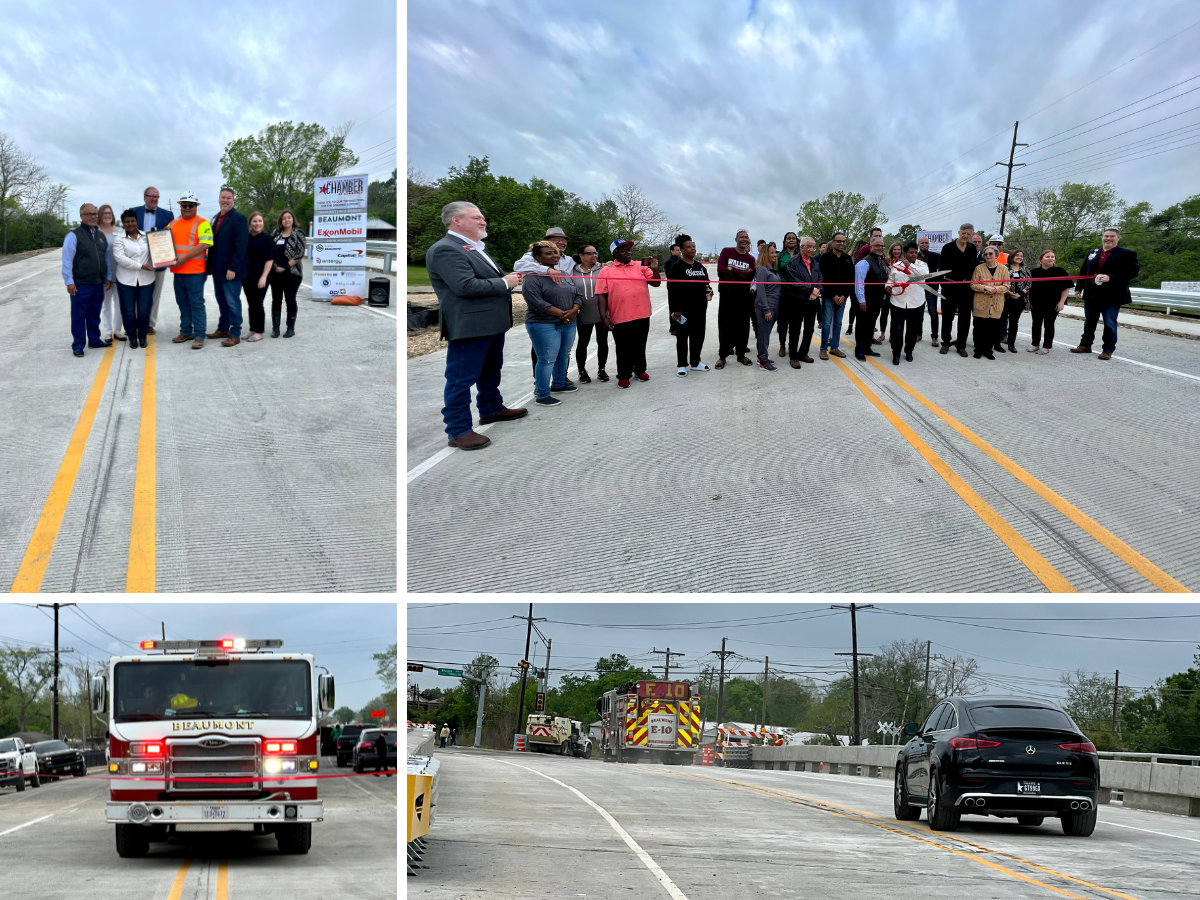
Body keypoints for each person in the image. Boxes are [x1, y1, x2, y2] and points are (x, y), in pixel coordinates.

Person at [426, 201, 527, 451]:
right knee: (461, 378)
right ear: (456, 220)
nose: (483, 222)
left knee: (491, 369)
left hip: (490, 323)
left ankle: (491, 407)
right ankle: (458, 430)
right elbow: (465, 286)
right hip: (470, 325)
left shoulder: (472, 247)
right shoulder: (445, 249)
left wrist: (505, 282)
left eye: (482, 218)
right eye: (476, 218)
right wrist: (505, 282)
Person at [523, 240, 581, 407]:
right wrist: (562, 313)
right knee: (547, 358)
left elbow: (577, 294)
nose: (555, 256)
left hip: (568, 321)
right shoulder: (532, 277)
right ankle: (542, 393)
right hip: (543, 323)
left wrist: (574, 309)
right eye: (548, 253)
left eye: (555, 252)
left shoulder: (562, 273)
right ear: (537, 257)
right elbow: (536, 302)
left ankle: (559, 383)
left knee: (563, 354)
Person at [596, 238, 660, 388]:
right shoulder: (606, 270)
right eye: (623, 249)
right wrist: (603, 317)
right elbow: (601, 295)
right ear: (615, 253)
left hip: (642, 313)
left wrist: (655, 268)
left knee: (640, 344)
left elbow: (656, 283)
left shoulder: (639, 266)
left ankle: (640, 370)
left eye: (628, 249)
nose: (628, 251)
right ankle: (624, 375)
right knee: (623, 347)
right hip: (620, 315)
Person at [1070, 228, 1141, 360]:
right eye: (1106, 236)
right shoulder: (1093, 253)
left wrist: (1111, 278)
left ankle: (1107, 350)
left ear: (1118, 238)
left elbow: (1133, 272)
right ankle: (1085, 345)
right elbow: (1084, 271)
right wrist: (1078, 288)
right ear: (1102, 237)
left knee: (1109, 323)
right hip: (1091, 294)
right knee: (1089, 322)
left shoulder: (1127, 254)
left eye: (1112, 236)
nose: (1108, 238)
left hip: (1112, 296)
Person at [514, 227, 575, 373]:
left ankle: (561, 378)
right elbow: (519, 266)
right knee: (543, 352)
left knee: (563, 351)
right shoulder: (533, 255)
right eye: (556, 240)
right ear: (545, 241)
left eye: (563, 240)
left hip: (566, 310)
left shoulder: (569, 260)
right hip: (544, 313)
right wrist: (547, 270)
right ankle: (540, 382)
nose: (561, 242)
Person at [62, 203, 114, 357]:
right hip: (80, 284)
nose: (92, 216)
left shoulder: (100, 235)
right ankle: (78, 344)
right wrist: (69, 281)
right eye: (88, 214)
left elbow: (106, 258)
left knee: (94, 313)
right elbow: (67, 260)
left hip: (98, 283)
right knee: (79, 315)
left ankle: (94, 340)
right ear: (81, 216)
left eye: (94, 214)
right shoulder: (73, 235)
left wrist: (108, 277)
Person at [168, 191, 214, 350]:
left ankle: (199, 335)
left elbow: (205, 244)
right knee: (182, 303)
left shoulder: (202, 223)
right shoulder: (172, 224)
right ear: (180, 206)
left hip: (195, 272)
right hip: (177, 273)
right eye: (184, 205)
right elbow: (162, 243)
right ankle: (186, 331)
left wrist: (185, 258)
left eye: (191, 205)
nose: (187, 208)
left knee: (197, 304)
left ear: (196, 206)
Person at [205, 188, 248, 346]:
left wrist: (233, 268)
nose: (225, 200)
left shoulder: (239, 218)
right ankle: (223, 328)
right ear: (218, 199)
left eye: (229, 198)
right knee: (221, 300)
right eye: (223, 197)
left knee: (232, 302)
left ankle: (235, 333)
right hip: (217, 269)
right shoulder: (217, 218)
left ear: (233, 200)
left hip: (230, 271)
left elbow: (241, 246)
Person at [665, 233, 711, 376]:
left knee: (698, 336)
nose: (692, 249)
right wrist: (675, 310)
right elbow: (671, 290)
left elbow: (707, 284)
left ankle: (695, 362)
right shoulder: (677, 267)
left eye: (694, 246)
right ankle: (682, 365)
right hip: (682, 310)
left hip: (699, 309)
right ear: (682, 250)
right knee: (682, 337)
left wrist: (709, 292)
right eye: (688, 247)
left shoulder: (699, 266)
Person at [110, 209, 156, 349]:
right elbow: (121, 259)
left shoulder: (147, 236)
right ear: (123, 223)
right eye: (127, 221)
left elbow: (157, 250)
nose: (130, 224)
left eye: (132, 221)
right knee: (128, 310)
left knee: (144, 310)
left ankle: (142, 336)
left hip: (146, 280)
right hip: (125, 280)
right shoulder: (119, 239)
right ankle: (132, 337)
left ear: (136, 221)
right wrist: (141, 266)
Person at [132, 187, 174, 335]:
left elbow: (170, 237)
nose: (154, 199)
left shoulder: (168, 215)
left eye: (157, 197)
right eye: (151, 196)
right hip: (139, 259)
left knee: (155, 293)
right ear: (144, 197)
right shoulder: (133, 212)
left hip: (159, 259)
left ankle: (150, 323)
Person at [716, 230, 756, 367]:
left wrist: (733, 270)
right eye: (741, 237)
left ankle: (741, 355)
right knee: (725, 326)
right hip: (727, 296)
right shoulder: (726, 252)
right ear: (736, 239)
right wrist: (743, 273)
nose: (744, 239)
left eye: (746, 237)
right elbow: (721, 271)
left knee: (743, 327)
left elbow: (750, 276)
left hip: (744, 297)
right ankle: (722, 356)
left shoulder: (750, 259)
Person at [938, 223, 980, 357]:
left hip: (966, 289)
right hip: (950, 287)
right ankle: (945, 342)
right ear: (959, 232)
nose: (965, 236)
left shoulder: (972, 248)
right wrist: (944, 284)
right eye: (963, 233)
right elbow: (941, 268)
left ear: (971, 235)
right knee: (947, 317)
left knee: (965, 318)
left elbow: (974, 267)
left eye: (968, 234)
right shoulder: (948, 247)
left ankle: (961, 345)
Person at [782, 236, 823, 367]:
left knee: (810, 328)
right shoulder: (794, 262)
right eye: (809, 246)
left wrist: (817, 291)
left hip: (812, 301)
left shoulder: (815, 263)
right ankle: (793, 356)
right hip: (797, 301)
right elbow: (794, 282)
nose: (812, 249)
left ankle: (803, 353)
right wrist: (812, 289)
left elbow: (820, 279)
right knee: (795, 329)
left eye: (813, 246)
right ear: (802, 247)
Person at [886, 242, 929, 364]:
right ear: (905, 253)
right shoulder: (896, 265)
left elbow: (922, 277)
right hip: (897, 302)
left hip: (916, 303)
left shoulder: (922, 265)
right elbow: (891, 279)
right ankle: (896, 353)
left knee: (912, 330)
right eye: (911, 252)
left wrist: (909, 266)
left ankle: (909, 351)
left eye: (916, 252)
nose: (914, 254)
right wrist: (888, 286)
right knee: (897, 329)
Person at [572, 245, 609, 383]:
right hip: (583, 312)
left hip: (601, 311)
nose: (594, 255)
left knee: (602, 341)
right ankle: (582, 371)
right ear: (581, 255)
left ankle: (602, 369)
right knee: (583, 342)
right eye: (590, 253)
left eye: (595, 253)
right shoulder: (572, 271)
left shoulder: (603, 269)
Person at [270, 209, 305, 338]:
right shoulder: (276, 233)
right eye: (284, 218)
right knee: (276, 300)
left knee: (290, 300)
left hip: (292, 273)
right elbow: (270, 249)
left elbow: (300, 254)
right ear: (281, 220)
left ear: (292, 219)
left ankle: (290, 328)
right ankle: (275, 328)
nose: (287, 220)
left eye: (289, 217)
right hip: (276, 273)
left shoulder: (298, 234)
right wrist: (273, 264)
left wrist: (285, 266)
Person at [970, 246, 1009, 359]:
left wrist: (996, 289)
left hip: (996, 303)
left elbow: (1007, 286)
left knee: (993, 330)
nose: (988, 256)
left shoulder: (1003, 269)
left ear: (996, 255)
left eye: (990, 254)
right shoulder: (979, 268)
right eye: (986, 254)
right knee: (979, 329)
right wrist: (985, 288)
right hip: (981, 303)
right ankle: (978, 350)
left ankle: (988, 351)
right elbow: (973, 284)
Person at [1028, 249, 1070, 354]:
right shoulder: (1034, 272)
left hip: (1053, 303)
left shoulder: (1060, 272)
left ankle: (1046, 346)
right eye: (1047, 256)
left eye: (1052, 257)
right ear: (1041, 259)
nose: (1050, 258)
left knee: (1049, 324)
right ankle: (1035, 344)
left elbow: (1066, 288)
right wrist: (1028, 301)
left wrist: (1062, 302)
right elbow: (1029, 288)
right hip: (1036, 303)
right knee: (1036, 324)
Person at [818, 233, 853, 360]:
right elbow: (822, 278)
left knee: (838, 323)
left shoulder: (848, 259)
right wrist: (833, 295)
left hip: (842, 297)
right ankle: (823, 349)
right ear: (832, 243)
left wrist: (844, 295)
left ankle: (834, 347)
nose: (842, 244)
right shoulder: (825, 258)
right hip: (828, 296)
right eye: (839, 241)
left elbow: (850, 279)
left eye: (843, 241)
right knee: (826, 323)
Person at [853, 236, 887, 360]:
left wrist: (883, 296)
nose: (880, 248)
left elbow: (884, 281)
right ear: (871, 247)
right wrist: (861, 300)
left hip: (877, 301)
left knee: (871, 325)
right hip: (866, 301)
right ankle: (859, 350)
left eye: (882, 246)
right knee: (862, 326)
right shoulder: (863, 263)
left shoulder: (882, 262)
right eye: (877, 245)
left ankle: (867, 348)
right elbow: (859, 283)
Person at [242, 212, 274, 341]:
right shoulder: (246, 238)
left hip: (261, 276)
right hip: (247, 276)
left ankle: (259, 332)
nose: (257, 223)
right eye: (254, 221)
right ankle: (252, 329)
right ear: (250, 224)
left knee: (258, 303)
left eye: (260, 221)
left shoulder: (267, 239)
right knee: (251, 303)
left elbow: (270, 259)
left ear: (263, 223)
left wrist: (263, 277)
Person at [96, 204, 125, 343]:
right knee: (106, 305)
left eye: (110, 213)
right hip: (104, 276)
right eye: (105, 213)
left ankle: (118, 331)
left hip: (120, 274)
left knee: (119, 305)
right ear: (100, 216)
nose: (108, 215)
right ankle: (108, 332)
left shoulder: (121, 231)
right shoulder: (95, 233)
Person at [752, 244, 781, 372]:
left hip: (773, 306)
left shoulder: (771, 270)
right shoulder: (762, 270)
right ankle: (763, 361)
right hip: (766, 306)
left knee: (765, 335)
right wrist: (766, 309)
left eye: (775, 253)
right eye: (772, 253)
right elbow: (761, 291)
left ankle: (761, 357)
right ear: (765, 254)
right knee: (763, 335)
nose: (775, 255)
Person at [997, 248, 1030, 354]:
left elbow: (1029, 284)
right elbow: (1000, 282)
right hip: (1005, 298)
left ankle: (1011, 344)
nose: (1019, 257)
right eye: (1017, 255)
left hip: (1019, 300)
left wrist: (1020, 294)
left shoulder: (1025, 269)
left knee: (1014, 323)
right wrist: (1009, 293)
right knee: (1001, 321)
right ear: (1012, 256)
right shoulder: (1004, 268)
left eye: (1021, 255)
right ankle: (996, 343)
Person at [775, 232, 800, 356]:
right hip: (783, 291)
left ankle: (793, 346)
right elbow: (776, 272)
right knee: (783, 321)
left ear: (796, 241)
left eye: (793, 238)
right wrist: (786, 283)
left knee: (796, 321)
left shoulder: (801, 255)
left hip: (798, 292)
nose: (791, 240)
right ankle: (782, 345)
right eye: (788, 238)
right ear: (785, 241)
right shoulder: (779, 256)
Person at [916, 235, 941, 345]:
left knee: (933, 312)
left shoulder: (936, 256)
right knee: (918, 313)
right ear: (918, 244)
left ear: (929, 244)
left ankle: (934, 337)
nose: (924, 245)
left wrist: (937, 282)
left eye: (926, 243)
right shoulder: (914, 256)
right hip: (918, 289)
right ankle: (918, 334)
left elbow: (940, 271)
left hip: (931, 288)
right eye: (922, 243)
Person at [877, 242, 903, 341]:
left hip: (898, 292)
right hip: (886, 292)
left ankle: (893, 335)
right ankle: (882, 334)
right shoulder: (885, 261)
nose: (896, 251)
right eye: (894, 249)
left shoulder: (903, 262)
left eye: (898, 249)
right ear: (891, 250)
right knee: (884, 313)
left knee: (895, 315)